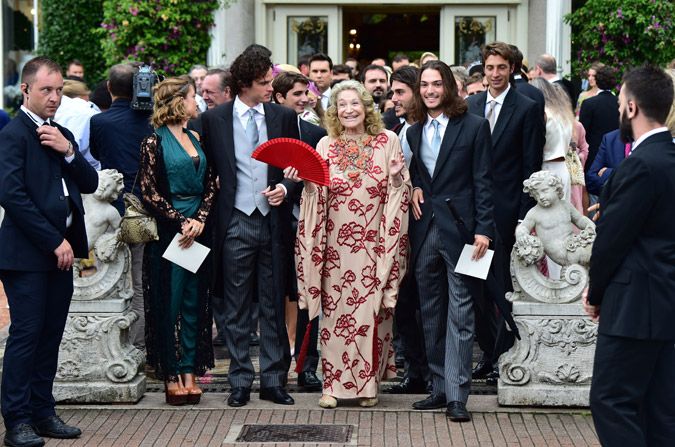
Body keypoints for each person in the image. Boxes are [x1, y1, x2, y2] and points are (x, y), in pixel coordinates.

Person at [293, 80, 411, 409]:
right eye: (342, 105)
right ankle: (332, 386)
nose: (348, 110)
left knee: (370, 315)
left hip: (375, 246)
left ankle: (367, 385)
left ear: (366, 107)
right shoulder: (326, 145)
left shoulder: (387, 141)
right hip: (334, 248)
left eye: (354, 104)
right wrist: (307, 181)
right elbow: (317, 194)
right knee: (334, 318)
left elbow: (398, 191)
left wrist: (400, 181)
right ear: (334, 111)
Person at [0, 56, 98, 447]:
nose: (55, 97)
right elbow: (12, 195)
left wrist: (69, 151)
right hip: (26, 255)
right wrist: (53, 240)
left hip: (61, 254)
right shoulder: (13, 134)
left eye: (59, 90)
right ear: (26, 90)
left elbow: (89, 182)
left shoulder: (58, 132)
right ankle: (17, 419)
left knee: (51, 335)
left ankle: (43, 412)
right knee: (27, 334)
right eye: (47, 90)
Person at [200, 44, 300, 408]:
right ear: (244, 84)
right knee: (236, 306)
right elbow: (204, 171)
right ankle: (240, 380)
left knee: (274, 304)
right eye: (263, 82)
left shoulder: (282, 117)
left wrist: (285, 188)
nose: (269, 88)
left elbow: (298, 170)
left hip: (273, 222)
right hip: (234, 221)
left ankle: (274, 380)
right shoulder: (214, 120)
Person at [584, 65, 675, 447]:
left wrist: (595, 293)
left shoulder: (640, 165)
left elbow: (612, 238)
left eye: (620, 103)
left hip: (633, 305)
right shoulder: (668, 158)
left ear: (632, 108)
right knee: (660, 410)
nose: (619, 109)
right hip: (665, 301)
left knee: (610, 401)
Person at [407, 60, 494, 422]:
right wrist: (412, 187)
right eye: (424, 85)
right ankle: (439, 387)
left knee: (461, 312)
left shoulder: (474, 126)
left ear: (449, 88)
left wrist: (484, 229)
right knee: (430, 311)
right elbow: (419, 175)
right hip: (425, 229)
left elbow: (484, 181)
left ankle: (458, 396)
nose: (429, 90)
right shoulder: (413, 131)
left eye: (436, 84)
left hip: (464, 232)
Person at [466, 42, 544, 382]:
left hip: (507, 213)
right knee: (476, 284)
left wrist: (521, 219)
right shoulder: (469, 105)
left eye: (501, 67)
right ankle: (488, 353)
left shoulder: (526, 108)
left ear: (512, 68)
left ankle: (506, 354)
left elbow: (531, 167)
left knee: (503, 287)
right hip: (471, 216)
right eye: (490, 67)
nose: (495, 74)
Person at [139, 76, 217, 406]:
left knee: (193, 300)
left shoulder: (196, 136)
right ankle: (171, 374)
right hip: (171, 230)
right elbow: (148, 191)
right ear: (178, 102)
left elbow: (214, 181)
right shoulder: (152, 143)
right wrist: (180, 220)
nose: (197, 101)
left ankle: (189, 370)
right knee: (168, 301)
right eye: (192, 96)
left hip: (197, 228)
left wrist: (199, 219)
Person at [89, 63, 154, 352]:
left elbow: (96, 154)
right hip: (146, 208)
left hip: (113, 207)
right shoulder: (152, 120)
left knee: (114, 275)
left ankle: (120, 342)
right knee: (140, 279)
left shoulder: (100, 122)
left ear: (108, 87)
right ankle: (139, 343)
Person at [383, 65, 430, 395]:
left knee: (424, 301)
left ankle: (430, 372)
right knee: (403, 301)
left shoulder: (430, 128)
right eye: (392, 92)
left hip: (425, 225)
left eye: (400, 92)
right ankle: (414, 371)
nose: (393, 98)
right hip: (398, 228)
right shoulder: (396, 129)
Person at [579, 65, 620, 173]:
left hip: (593, 156)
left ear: (597, 80)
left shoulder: (589, 104)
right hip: (616, 154)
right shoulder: (620, 103)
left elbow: (583, 133)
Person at [55, 80, 101, 170]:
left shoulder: (61, 111)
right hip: (85, 170)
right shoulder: (84, 112)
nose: (89, 99)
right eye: (87, 96)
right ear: (80, 97)